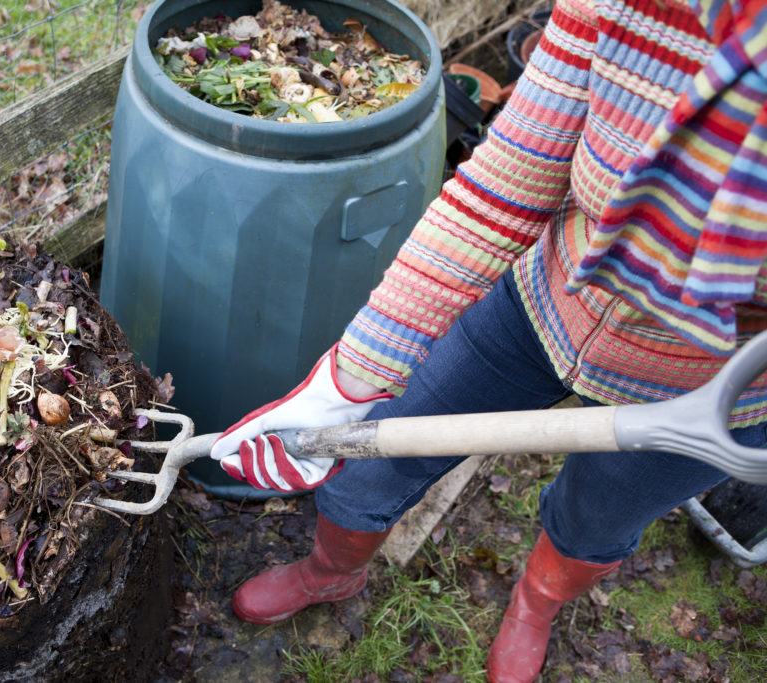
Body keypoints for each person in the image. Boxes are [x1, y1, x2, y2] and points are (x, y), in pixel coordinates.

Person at [208, 0, 767, 680]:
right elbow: (503, 187)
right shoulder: (632, 9)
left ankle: (534, 605)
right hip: (542, 303)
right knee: (375, 460)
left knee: (593, 523)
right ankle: (331, 571)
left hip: (711, 390)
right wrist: (345, 381)